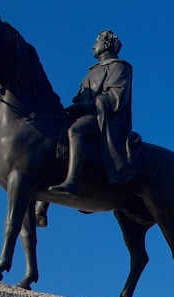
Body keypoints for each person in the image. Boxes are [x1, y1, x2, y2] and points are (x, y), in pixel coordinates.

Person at [51, 29, 141, 196]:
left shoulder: (119, 67)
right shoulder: (91, 72)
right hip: (86, 115)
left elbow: (115, 98)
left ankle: (72, 181)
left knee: (75, 130)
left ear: (106, 44)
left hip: (103, 119)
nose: (93, 47)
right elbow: (79, 98)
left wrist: (85, 107)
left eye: (96, 42)